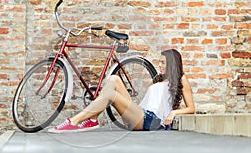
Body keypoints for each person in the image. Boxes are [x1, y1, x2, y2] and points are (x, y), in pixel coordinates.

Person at [48, 49, 195, 133]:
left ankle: (73, 121)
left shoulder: (181, 79)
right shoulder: (157, 80)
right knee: (114, 79)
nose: (159, 65)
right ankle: (92, 119)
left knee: (112, 95)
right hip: (139, 116)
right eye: (160, 62)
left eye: (163, 62)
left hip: (151, 121)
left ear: (172, 64)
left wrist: (174, 112)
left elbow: (191, 108)